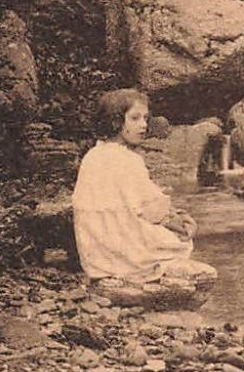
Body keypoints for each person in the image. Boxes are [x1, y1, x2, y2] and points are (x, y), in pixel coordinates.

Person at [72, 89, 217, 302]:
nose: (143, 125)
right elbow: (153, 209)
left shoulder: (93, 155)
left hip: (95, 253)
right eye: (134, 118)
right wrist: (180, 221)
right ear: (115, 121)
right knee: (182, 238)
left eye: (145, 118)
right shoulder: (128, 160)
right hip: (123, 250)